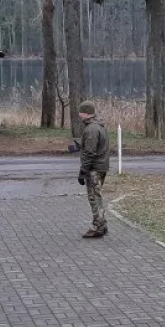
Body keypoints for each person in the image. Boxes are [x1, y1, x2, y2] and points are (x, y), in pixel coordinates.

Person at [76, 101, 110, 238]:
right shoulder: (99, 127)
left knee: (94, 197)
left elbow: (90, 152)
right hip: (101, 165)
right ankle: (102, 223)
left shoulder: (91, 129)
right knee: (97, 195)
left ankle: (98, 226)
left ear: (85, 113)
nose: (79, 115)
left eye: (80, 112)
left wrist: (83, 171)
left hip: (94, 168)